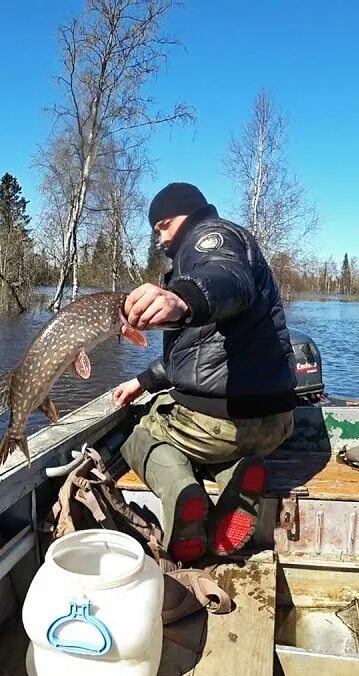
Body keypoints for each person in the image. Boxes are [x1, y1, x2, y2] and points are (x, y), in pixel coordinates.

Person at [113, 181, 298, 564]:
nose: (160, 238)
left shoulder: (210, 238)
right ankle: (237, 475)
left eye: (163, 225)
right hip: (275, 425)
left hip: (218, 423)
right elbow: (196, 356)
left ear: (186, 215)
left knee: (137, 436)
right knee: (214, 442)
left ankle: (181, 493)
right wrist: (143, 380)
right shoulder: (237, 243)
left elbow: (227, 277)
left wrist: (183, 296)